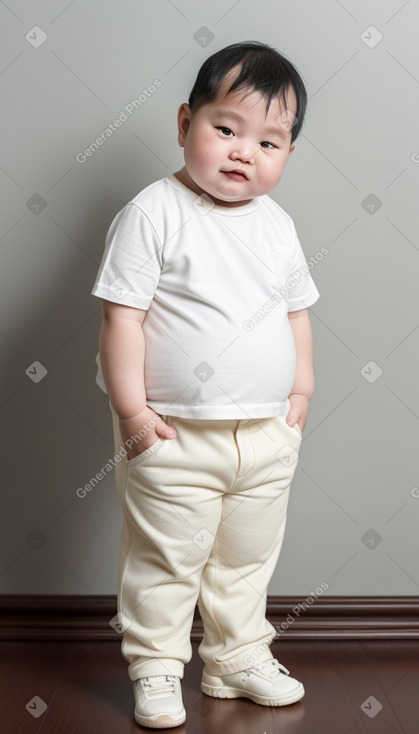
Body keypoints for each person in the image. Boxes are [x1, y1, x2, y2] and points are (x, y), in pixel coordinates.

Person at [91, 40, 320, 729]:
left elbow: (295, 315)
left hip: (264, 436)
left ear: (285, 154)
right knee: (165, 558)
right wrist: (132, 413)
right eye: (225, 129)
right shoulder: (151, 213)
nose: (243, 152)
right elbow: (120, 319)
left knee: (245, 559)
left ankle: (235, 655)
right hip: (174, 433)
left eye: (269, 141)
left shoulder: (276, 227)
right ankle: (156, 666)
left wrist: (299, 394)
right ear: (185, 121)